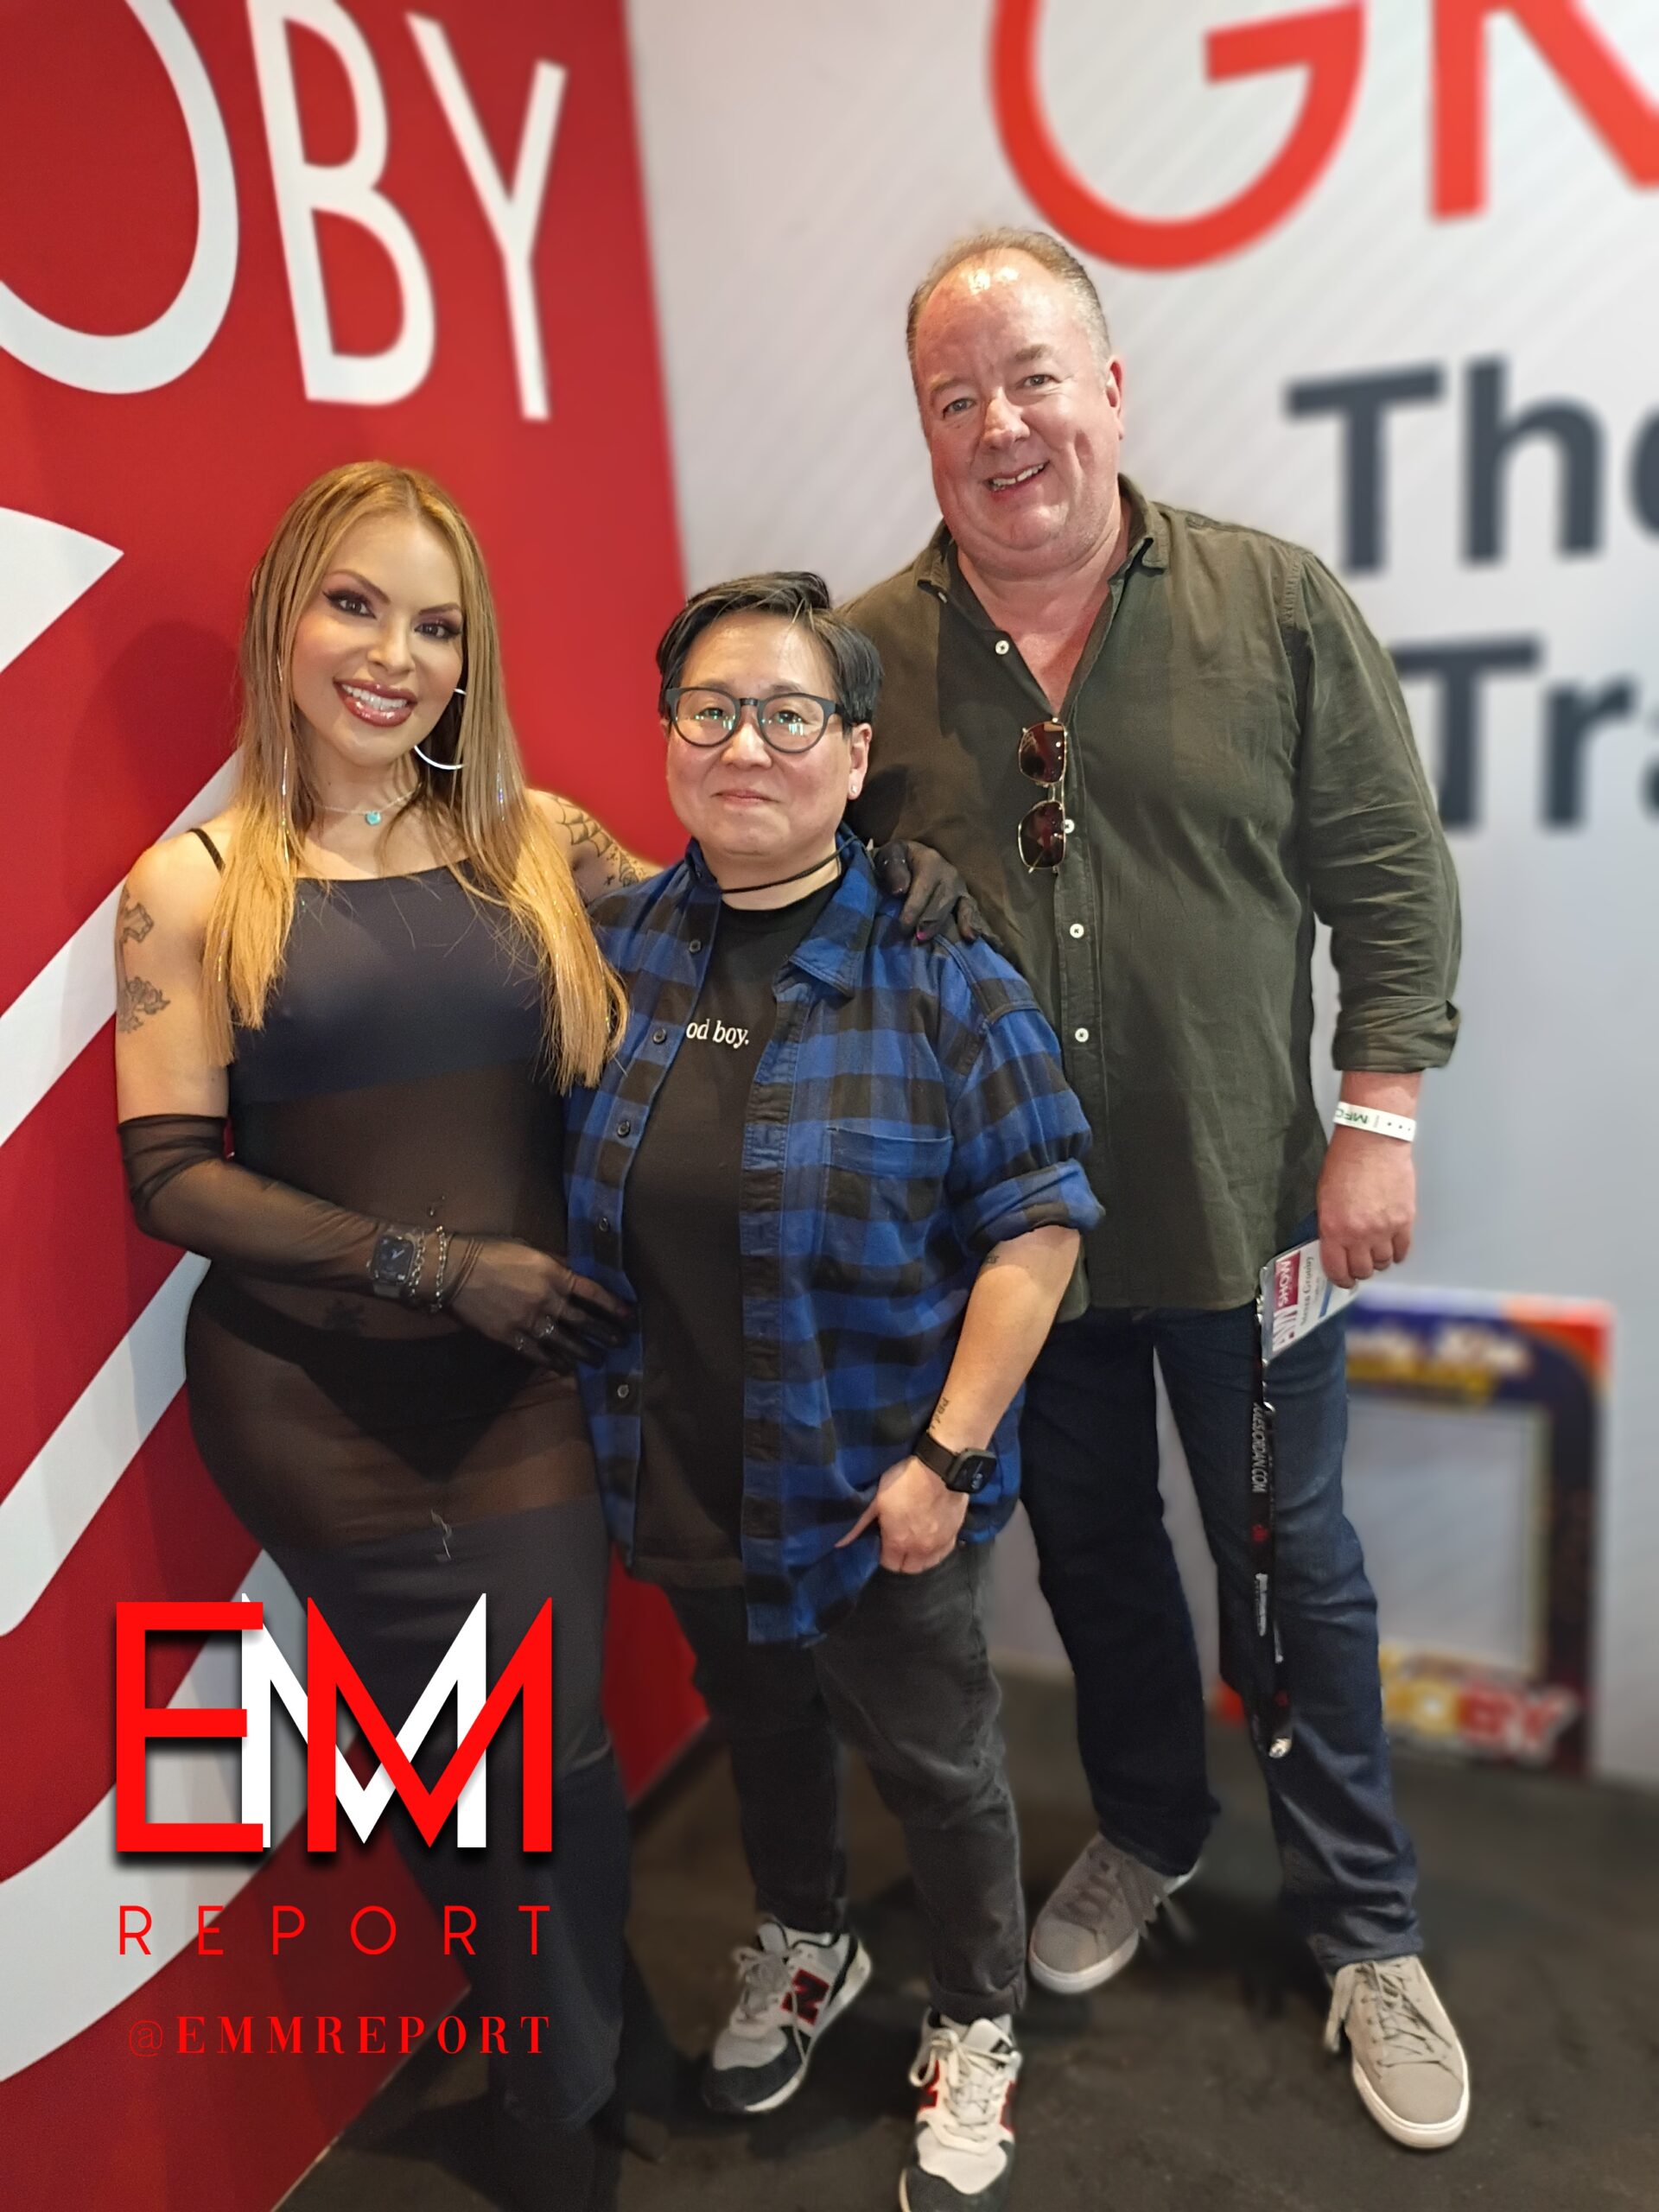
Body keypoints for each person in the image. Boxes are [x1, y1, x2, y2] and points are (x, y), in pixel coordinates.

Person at [845, 230, 1470, 2154]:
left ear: (1109, 390)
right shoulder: (861, 660)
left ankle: (1364, 1923)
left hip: (1248, 1212)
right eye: (956, 398)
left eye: (1033, 377)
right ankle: (1149, 1823)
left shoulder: (1274, 606)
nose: (1001, 426)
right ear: (926, 432)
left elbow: (1388, 874)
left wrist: (1379, 1123)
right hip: (1012, 1251)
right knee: (1099, 1552)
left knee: (1296, 1566)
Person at [114, 460, 677, 2212]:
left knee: (547, 1758)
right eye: (354, 604)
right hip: (310, 1406)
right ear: (284, 614)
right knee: (466, 1771)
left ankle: (573, 2065)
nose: (393, 656)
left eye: (436, 625)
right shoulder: (195, 881)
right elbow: (172, 1180)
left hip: (519, 1393)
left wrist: (891, 892)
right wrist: (440, 1264)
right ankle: (557, 2096)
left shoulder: (540, 842)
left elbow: (742, 926)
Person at [563, 572, 1103, 2211]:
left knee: (938, 1765)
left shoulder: (943, 969)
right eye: (712, 709)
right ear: (669, 734)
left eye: (790, 714)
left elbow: (1038, 1231)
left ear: (856, 753)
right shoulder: (612, 945)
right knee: (763, 1726)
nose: (747, 745)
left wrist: (948, 1459)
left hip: (879, 1483)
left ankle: (979, 2013)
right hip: (681, 1455)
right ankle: (807, 1939)